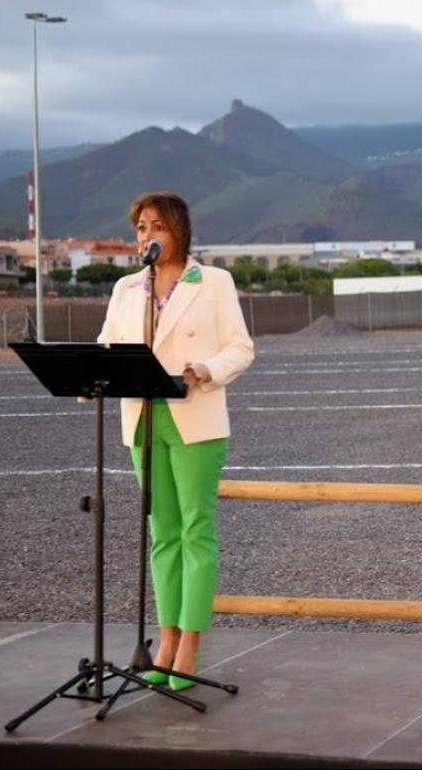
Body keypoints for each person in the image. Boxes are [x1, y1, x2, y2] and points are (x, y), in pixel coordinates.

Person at [97, 191, 254, 691]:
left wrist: (204, 369)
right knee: (161, 532)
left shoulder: (212, 282)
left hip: (195, 418)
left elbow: (241, 348)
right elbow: (106, 345)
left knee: (195, 530)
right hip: (140, 419)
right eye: (141, 227)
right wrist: (93, 373)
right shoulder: (126, 288)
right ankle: (163, 639)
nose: (147, 235)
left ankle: (190, 642)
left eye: (156, 226)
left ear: (180, 229)